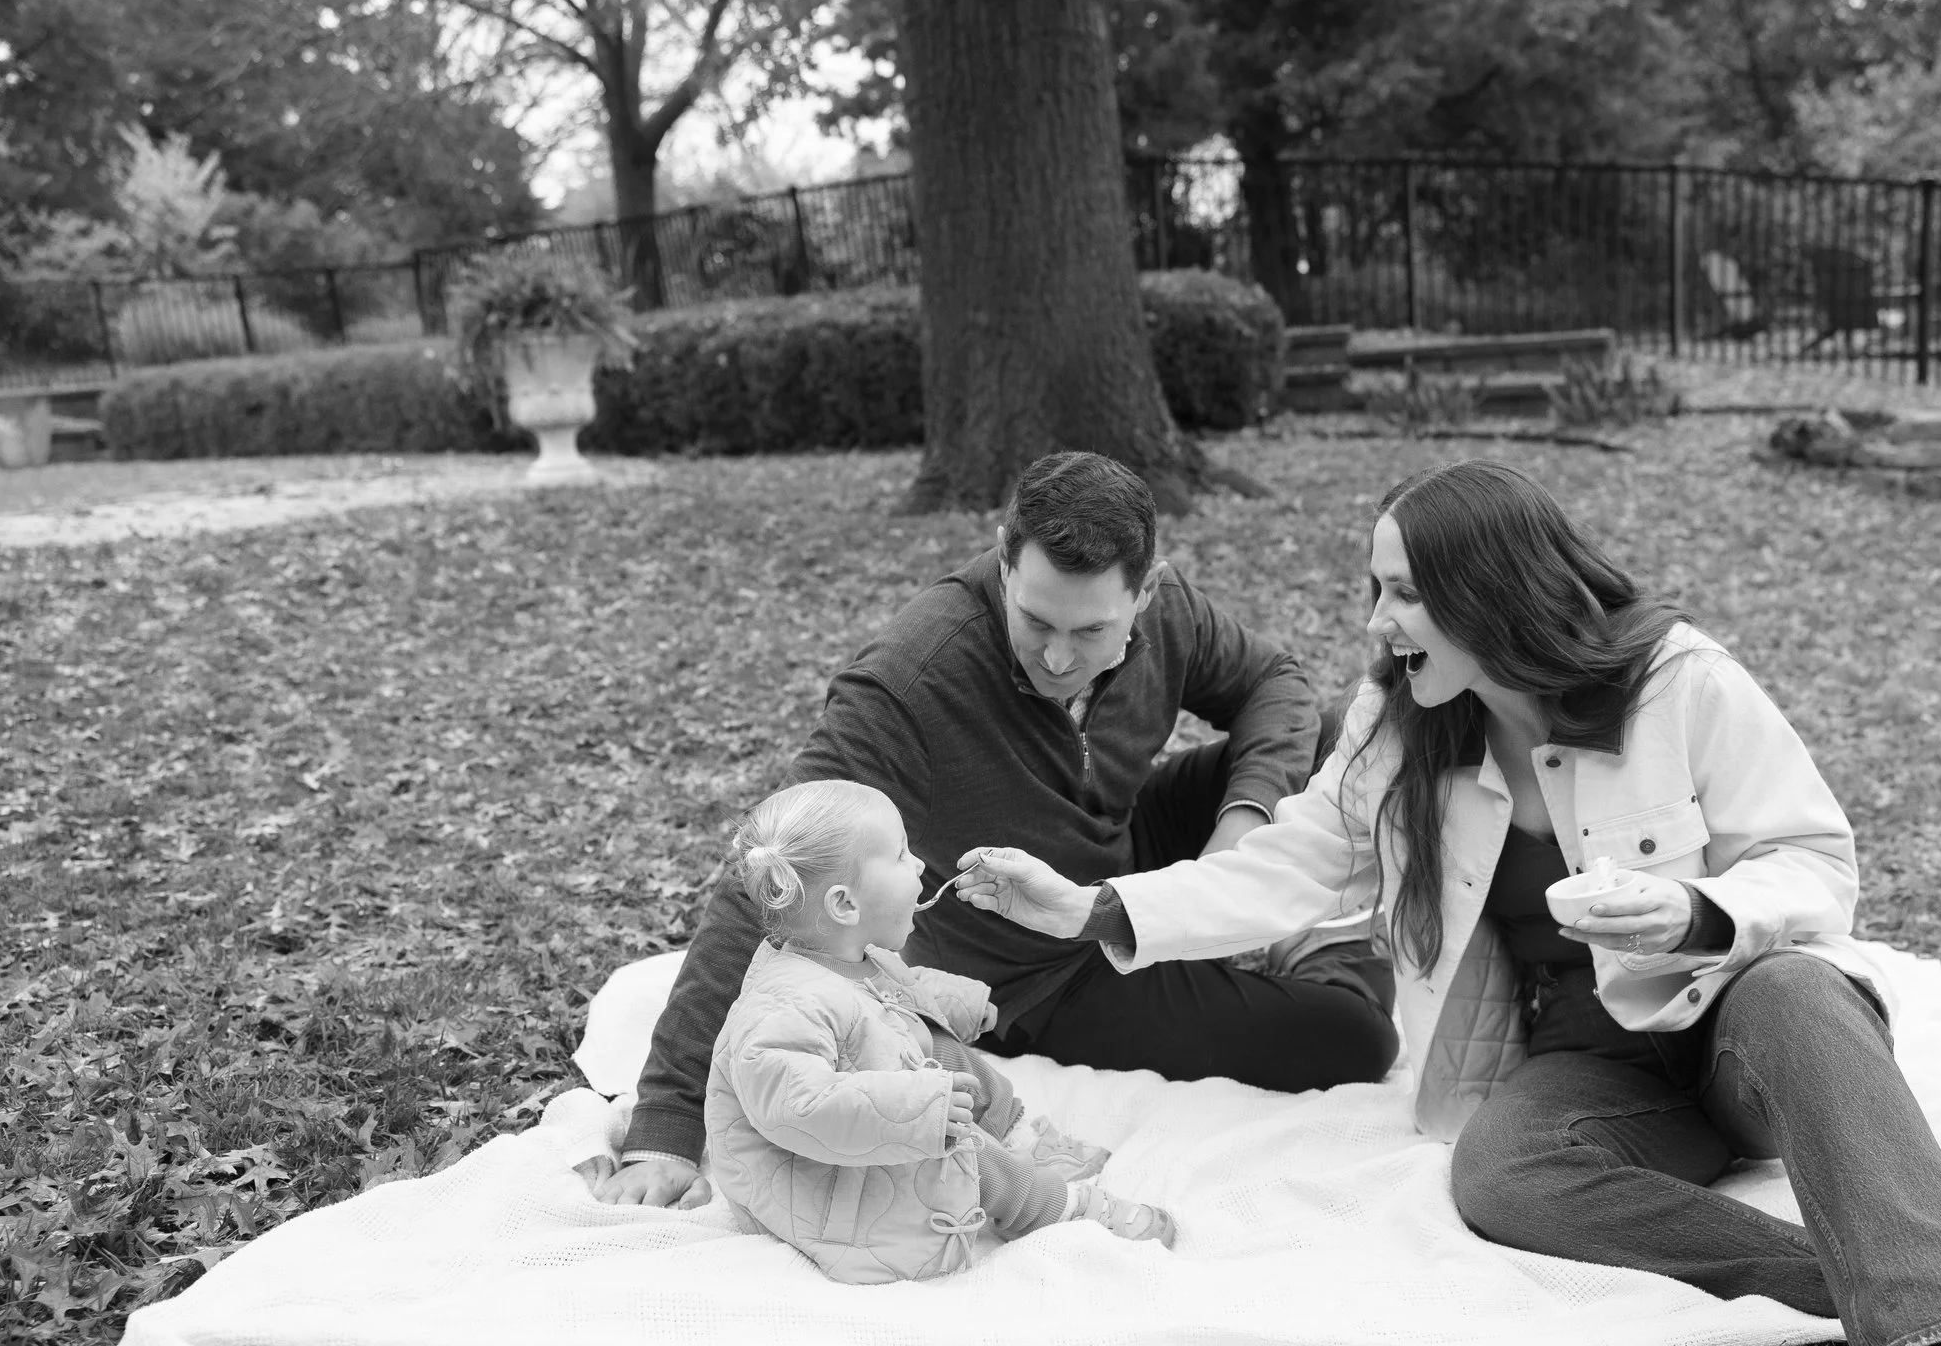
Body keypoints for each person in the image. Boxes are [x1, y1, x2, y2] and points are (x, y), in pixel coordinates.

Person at [952, 457, 1941, 1346]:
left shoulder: (1679, 680)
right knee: (1502, 1172)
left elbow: (1812, 859)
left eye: (1406, 591)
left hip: (1746, 1020)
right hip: (1593, 1057)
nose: (1376, 618)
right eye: (1373, 587)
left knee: (1791, 987)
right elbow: (1288, 863)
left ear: (1491, 592)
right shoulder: (1402, 720)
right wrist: (1095, 903)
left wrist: (1692, 906)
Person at [582, 451, 1399, 1211]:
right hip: (1043, 967)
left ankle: (1252, 914)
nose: (1056, 658)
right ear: (1005, 562)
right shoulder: (913, 678)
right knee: (1357, 1037)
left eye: (1089, 633)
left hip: (1122, 842)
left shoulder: (1170, 610)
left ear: (1145, 593)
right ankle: (1305, 942)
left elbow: (1276, 685)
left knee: (1330, 733)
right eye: (1037, 620)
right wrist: (668, 1120)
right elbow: (774, 868)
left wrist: (1240, 833)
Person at [707, 779, 1174, 1283]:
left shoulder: (848, 954)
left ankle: (1017, 1136)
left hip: (872, 1130)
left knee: (940, 1048)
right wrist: (918, 1109)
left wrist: (960, 1002)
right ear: (845, 905)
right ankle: (1047, 1205)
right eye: (902, 855)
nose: (920, 865)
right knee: (958, 1139)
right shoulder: (780, 1007)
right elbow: (798, 1107)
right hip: (828, 1184)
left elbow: (893, 997)